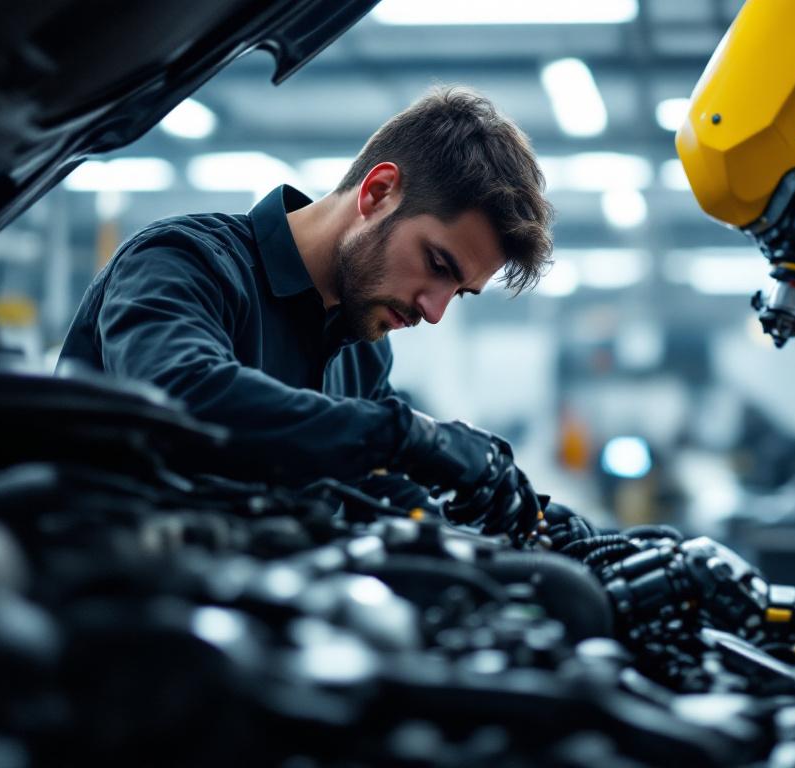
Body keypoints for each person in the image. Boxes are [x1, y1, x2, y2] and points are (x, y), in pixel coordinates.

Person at [58, 86, 554, 541]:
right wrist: (408, 437)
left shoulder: (364, 352)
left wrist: (528, 526)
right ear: (378, 193)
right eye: (438, 264)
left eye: (460, 292)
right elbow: (181, 394)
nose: (435, 311)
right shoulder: (182, 262)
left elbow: (379, 492)